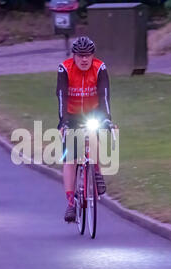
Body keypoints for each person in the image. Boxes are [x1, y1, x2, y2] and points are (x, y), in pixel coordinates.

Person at [56, 36, 112, 223]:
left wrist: (107, 119)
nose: (84, 59)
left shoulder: (100, 68)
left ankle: (96, 171)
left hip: (93, 113)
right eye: (80, 56)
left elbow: (104, 95)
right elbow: (62, 96)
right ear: (74, 56)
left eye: (88, 55)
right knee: (70, 157)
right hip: (71, 116)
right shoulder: (65, 68)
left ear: (93, 56)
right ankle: (71, 203)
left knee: (96, 132)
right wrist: (63, 122)